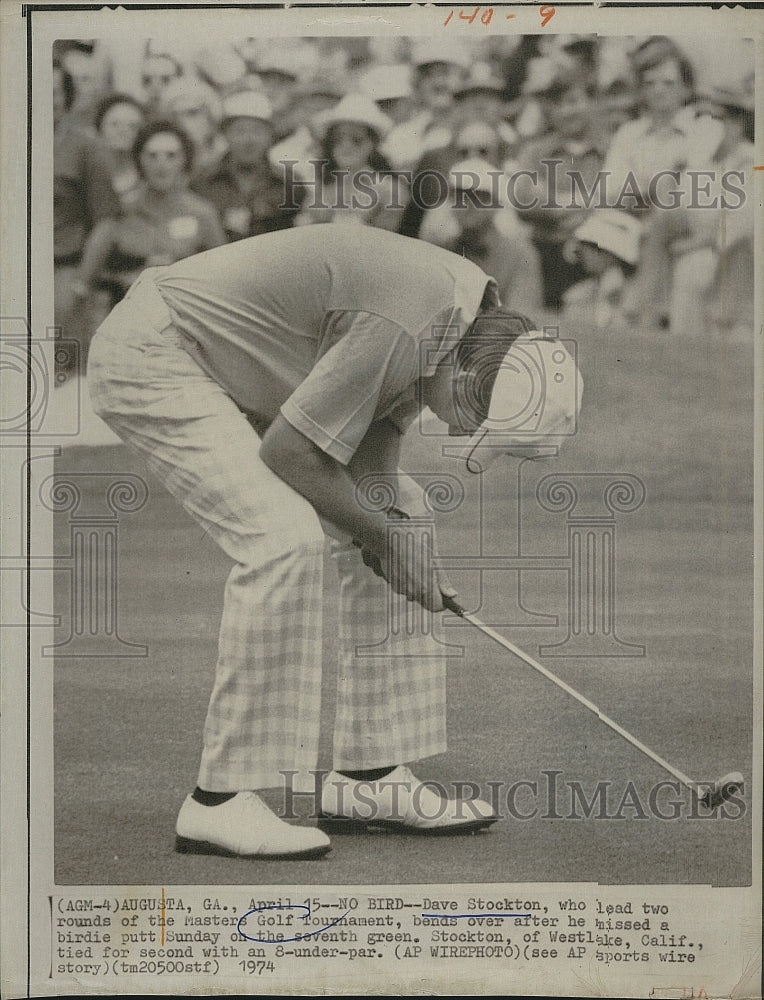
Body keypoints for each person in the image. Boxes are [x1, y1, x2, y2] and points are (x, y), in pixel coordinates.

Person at [86, 225, 581, 859]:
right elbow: (289, 453)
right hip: (158, 349)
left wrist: (393, 540)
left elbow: (372, 459)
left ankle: (370, 775)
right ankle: (219, 802)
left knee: (406, 511)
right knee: (282, 540)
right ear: (466, 374)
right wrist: (384, 539)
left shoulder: (453, 323)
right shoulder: (410, 324)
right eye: (473, 421)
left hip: (232, 361)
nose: (461, 431)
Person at [69, 119, 225, 346]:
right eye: (152, 155)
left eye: (171, 156)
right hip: (125, 330)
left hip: (186, 332)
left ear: (185, 161)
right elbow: (85, 282)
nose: (161, 164)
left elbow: (222, 280)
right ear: (139, 160)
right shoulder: (119, 211)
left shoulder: (203, 214)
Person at [193, 91, 302, 242]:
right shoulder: (202, 180)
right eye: (240, 131)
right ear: (225, 134)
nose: (249, 140)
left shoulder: (289, 183)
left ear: (271, 135)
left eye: (257, 131)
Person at [295, 94, 405, 231]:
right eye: (338, 139)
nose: (346, 146)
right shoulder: (322, 188)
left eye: (356, 139)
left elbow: (388, 240)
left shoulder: (390, 190)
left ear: (372, 144)